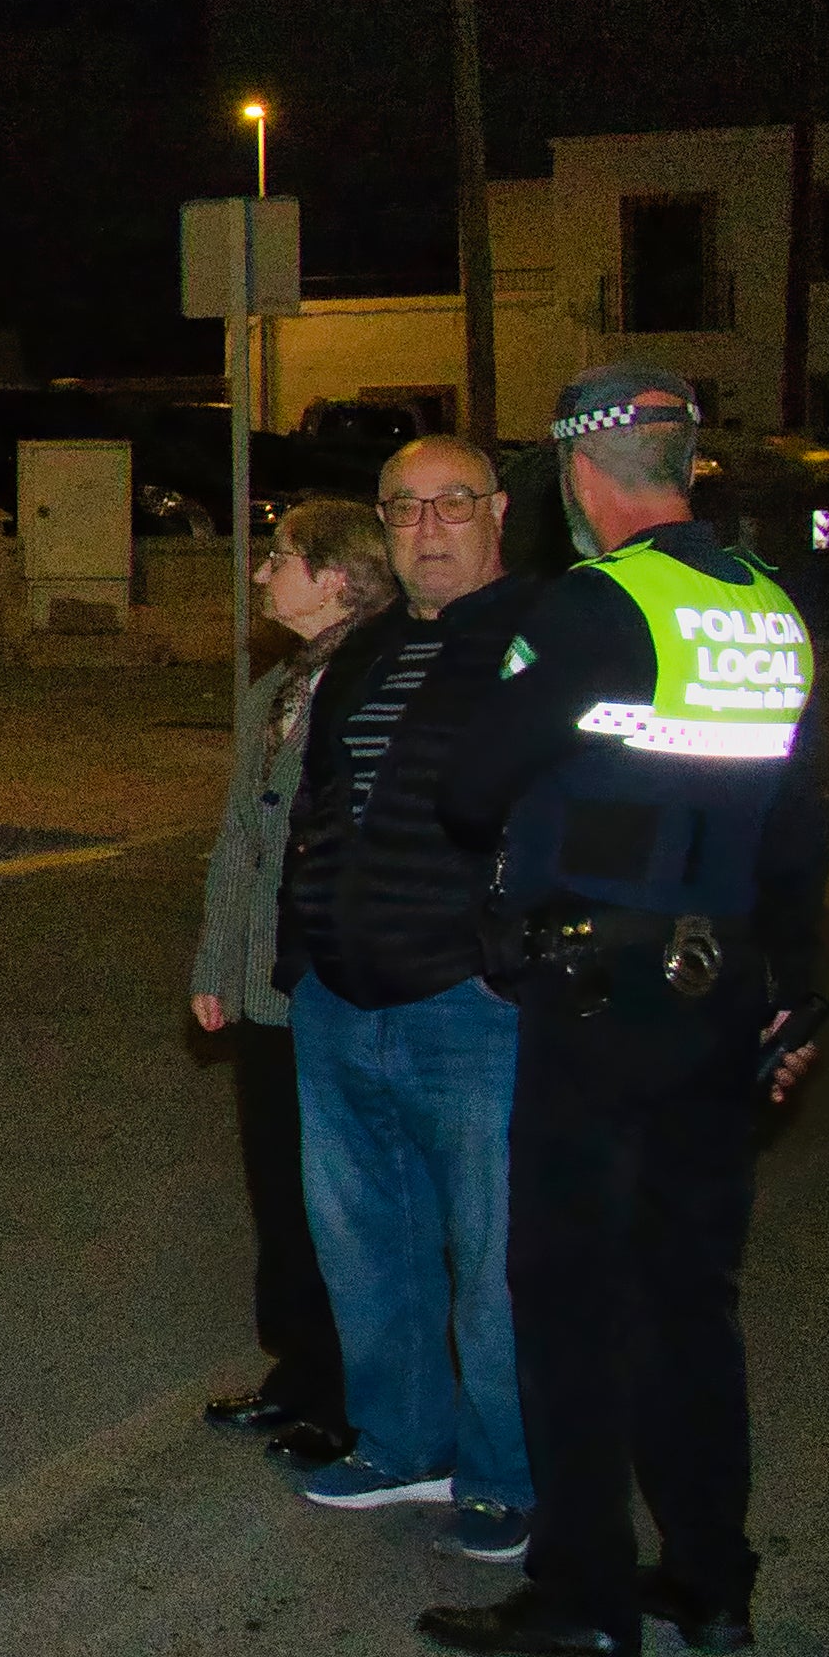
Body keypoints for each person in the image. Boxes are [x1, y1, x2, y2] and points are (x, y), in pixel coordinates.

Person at [417, 370, 829, 1657]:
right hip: (726, 996)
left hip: (601, 997)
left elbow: (476, 784)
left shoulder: (597, 607)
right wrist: (794, 992)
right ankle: (711, 1580)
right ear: (683, 463)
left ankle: (585, 1595)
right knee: (691, 1297)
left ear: (581, 474)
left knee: (573, 1300)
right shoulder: (771, 610)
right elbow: (799, 829)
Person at [272, 435, 534, 1555]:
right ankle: (400, 1442)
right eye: (405, 510)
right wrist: (300, 953)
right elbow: (322, 801)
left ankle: (505, 1473)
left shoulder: (542, 640)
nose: (427, 530)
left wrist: (503, 955)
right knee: (364, 1240)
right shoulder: (366, 652)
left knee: (494, 1257)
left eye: (451, 505)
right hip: (342, 997)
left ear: (500, 513)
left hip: (470, 1006)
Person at [188, 496, 390, 1461]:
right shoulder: (272, 690)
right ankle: (299, 1368)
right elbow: (239, 841)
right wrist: (216, 963)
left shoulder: (380, 676)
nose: (264, 574)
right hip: (270, 984)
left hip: (335, 981)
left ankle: (354, 1395)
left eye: (282, 558)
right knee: (278, 1183)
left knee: (342, 1197)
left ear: (339, 578)